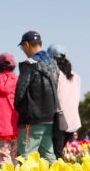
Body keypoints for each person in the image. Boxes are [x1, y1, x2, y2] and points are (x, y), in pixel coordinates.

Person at [14, 31, 58, 162]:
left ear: (26, 44)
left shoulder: (29, 64)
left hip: (32, 119)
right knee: (49, 155)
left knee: (25, 157)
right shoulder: (53, 64)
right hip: (50, 117)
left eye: (22, 47)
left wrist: (19, 108)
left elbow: (21, 91)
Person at [46, 45, 81, 159]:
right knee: (58, 153)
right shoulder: (76, 77)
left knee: (54, 156)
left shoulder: (55, 75)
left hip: (58, 121)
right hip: (72, 121)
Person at [0, 52, 19, 165]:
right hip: (16, 127)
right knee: (16, 160)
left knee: (3, 159)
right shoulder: (19, 82)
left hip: (0, 128)